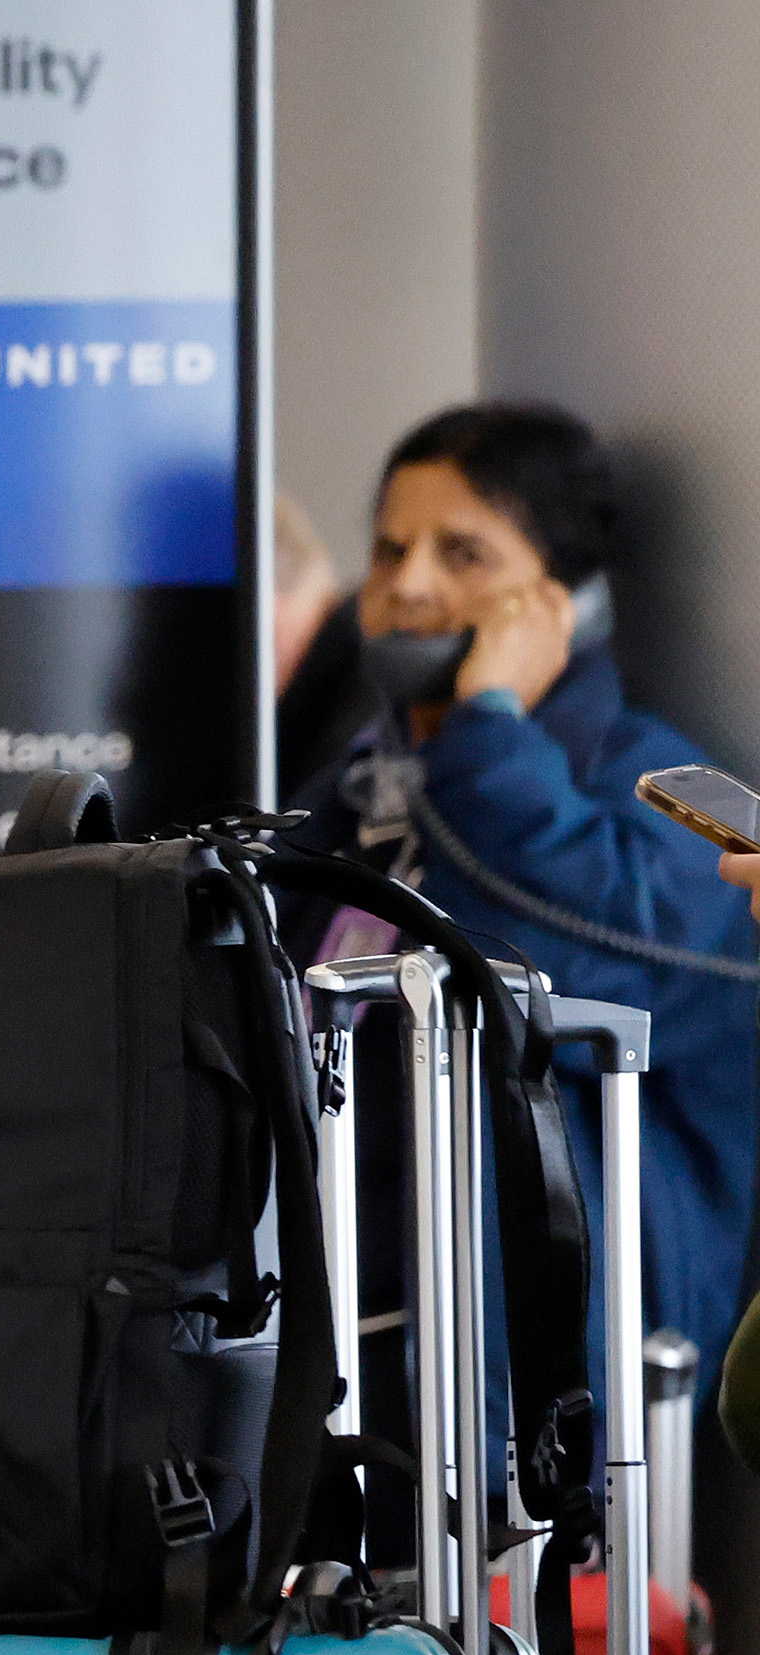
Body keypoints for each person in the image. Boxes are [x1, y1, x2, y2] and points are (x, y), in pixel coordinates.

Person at [281, 402, 754, 1408]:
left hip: (552, 1414)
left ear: (561, 603)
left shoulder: (650, 789)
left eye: (463, 553)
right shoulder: (352, 795)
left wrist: (489, 725)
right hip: (354, 1376)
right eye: (390, 548)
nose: (409, 584)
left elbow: (592, 957)